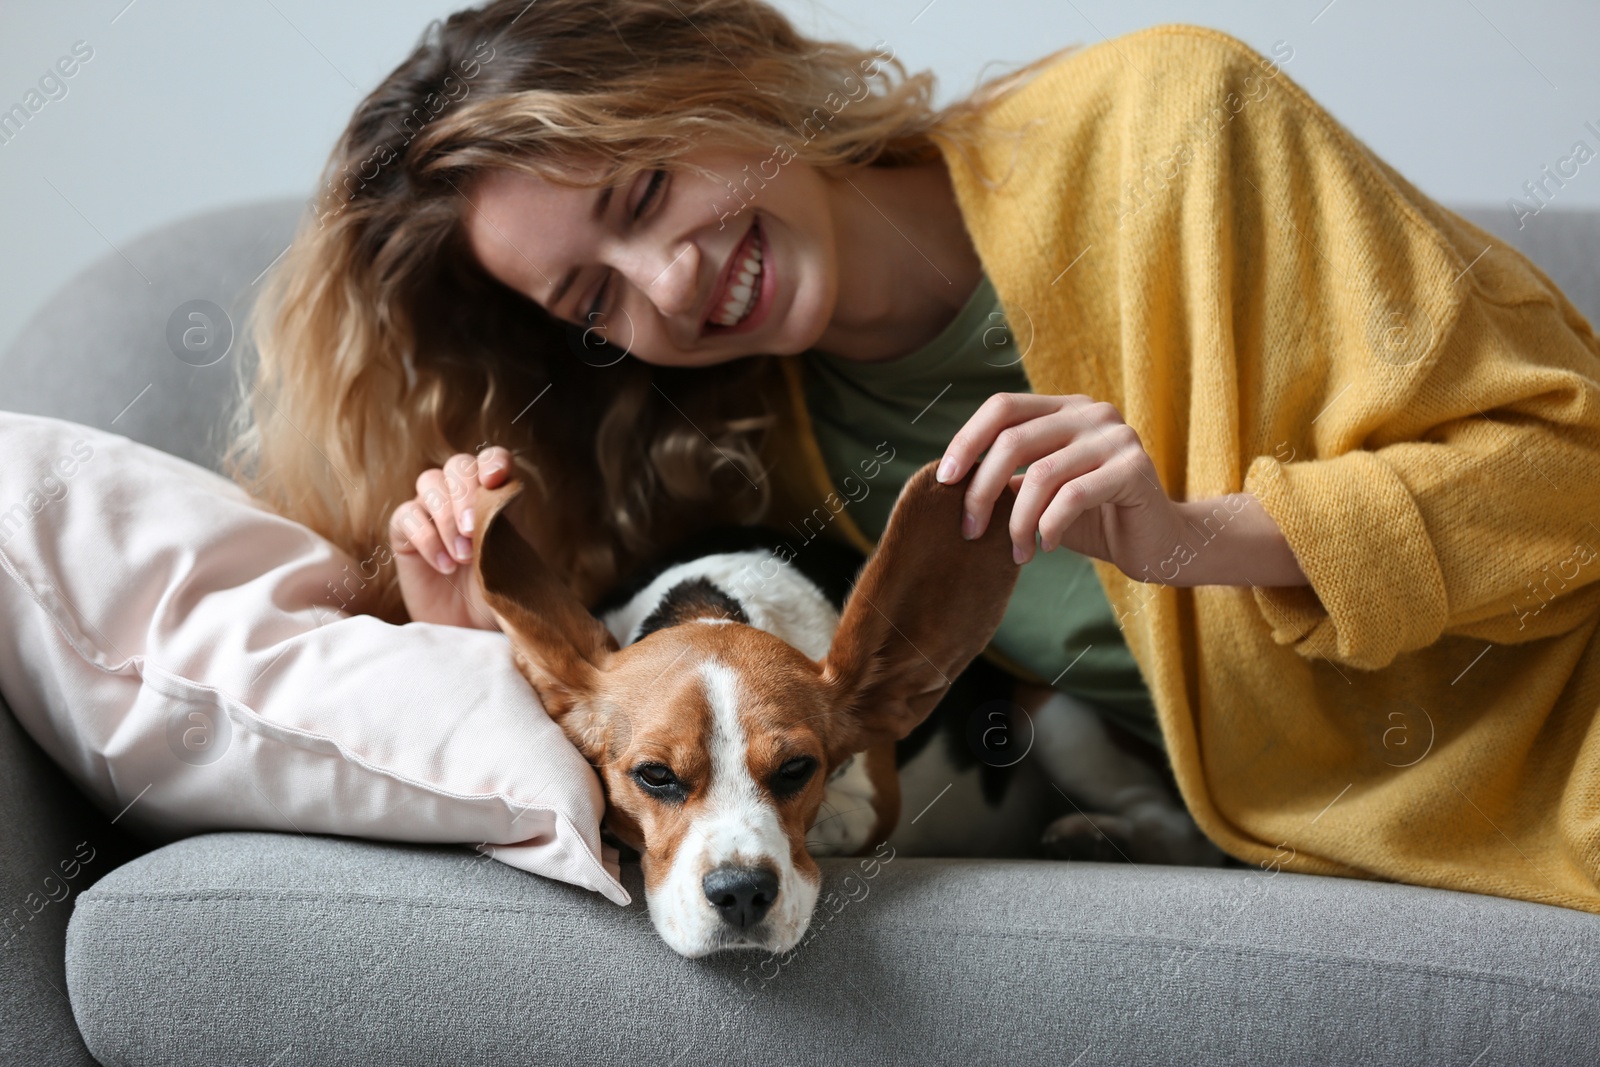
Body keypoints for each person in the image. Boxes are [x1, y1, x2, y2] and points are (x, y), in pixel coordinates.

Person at [224, 0, 1600, 913]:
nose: (672, 282)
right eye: (596, 299)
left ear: (718, 73)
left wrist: (1195, 537)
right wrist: (460, 630)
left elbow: (1568, 473)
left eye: (645, 192)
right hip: (1349, 851)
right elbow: (647, 737)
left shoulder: (1174, 126)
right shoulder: (740, 449)